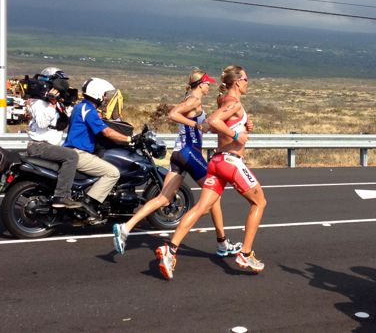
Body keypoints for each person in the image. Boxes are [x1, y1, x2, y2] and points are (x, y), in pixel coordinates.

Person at [112, 69, 241, 257]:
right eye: (207, 83)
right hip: (190, 153)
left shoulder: (191, 100)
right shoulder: (194, 100)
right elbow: (173, 115)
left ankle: (125, 227)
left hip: (179, 153)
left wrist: (209, 126)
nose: (209, 86)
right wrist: (196, 125)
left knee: (163, 198)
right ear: (200, 84)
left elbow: (204, 127)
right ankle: (222, 244)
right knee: (214, 197)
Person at [156, 65, 267, 280]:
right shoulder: (233, 102)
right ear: (237, 81)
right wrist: (237, 137)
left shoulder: (224, 100)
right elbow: (213, 122)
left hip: (216, 162)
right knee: (259, 202)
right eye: (245, 79)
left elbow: (215, 124)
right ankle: (245, 253)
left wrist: (243, 125)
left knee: (201, 208)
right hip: (229, 162)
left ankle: (170, 249)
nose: (247, 83)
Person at [63, 78, 131, 220]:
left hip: (72, 151)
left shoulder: (79, 107)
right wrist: (129, 139)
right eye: (104, 94)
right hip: (79, 154)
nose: (106, 98)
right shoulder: (88, 110)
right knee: (112, 173)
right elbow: (107, 132)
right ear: (97, 93)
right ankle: (88, 204)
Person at [25, 68, 80, 208]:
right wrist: (51, 104)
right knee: (71, 157)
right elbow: (43, 124)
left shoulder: (56, 103)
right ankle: (61, 196)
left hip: (50, 145)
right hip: (40, 146)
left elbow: (63, 120)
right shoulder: (38, 103)